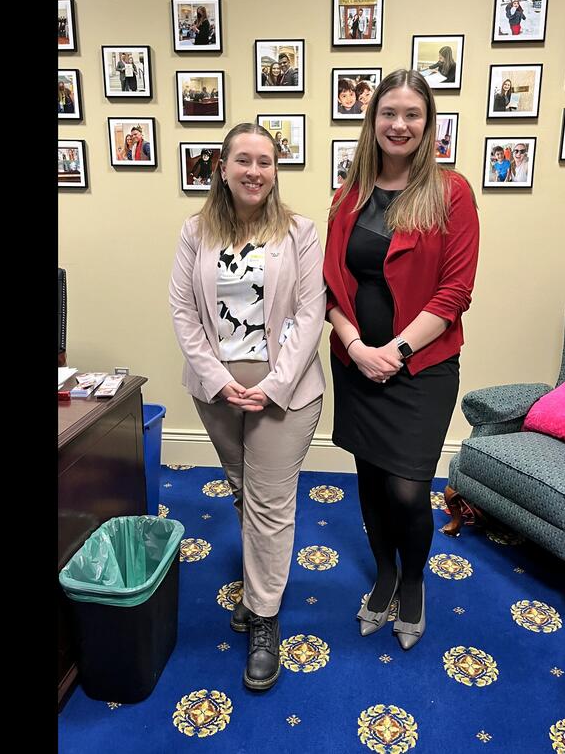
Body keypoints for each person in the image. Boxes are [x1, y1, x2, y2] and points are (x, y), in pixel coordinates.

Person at [323, 68, 479, 651]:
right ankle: (383, 573)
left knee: (409, 490)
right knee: (369, 478)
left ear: (427, 123)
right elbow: (329, 287)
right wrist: (358, 348)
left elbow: (454, 291)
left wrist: (396, 350)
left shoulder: (451, 192)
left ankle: (412, 580)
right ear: (373, 120)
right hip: (357, 362)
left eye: (412, 114)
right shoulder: (349, 194)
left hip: (422, 368)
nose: (399, 124)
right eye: (389, 113)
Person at [169, 123, 326, 691]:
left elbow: (312, 313)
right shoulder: (195, 232)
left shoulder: (301, 232)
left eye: (265, 161)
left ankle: (263, 617)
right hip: (217, 393)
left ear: (276, 170)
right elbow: (183, 311)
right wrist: (215, 378)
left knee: (269, 500)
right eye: (243, 160)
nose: (254, 170)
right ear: (223, 167)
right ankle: (260, 585)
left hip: (283, 394)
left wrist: (275, 384)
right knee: (243, 491)